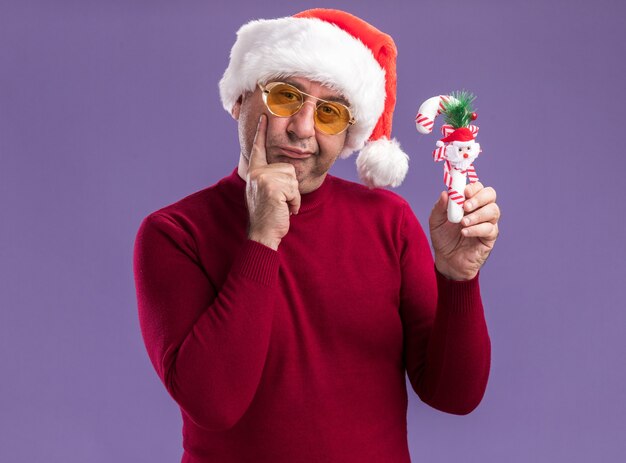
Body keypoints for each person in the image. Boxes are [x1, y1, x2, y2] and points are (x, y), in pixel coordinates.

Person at [133, 8, 500, 463]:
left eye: (329, 112)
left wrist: (459, 278)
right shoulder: (174, 233)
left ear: (348, 133)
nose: (303, 129)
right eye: (286, 97)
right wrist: (262, 238)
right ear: (239, 100)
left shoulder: (389, 221)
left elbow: (454, 395)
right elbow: (214, 403)